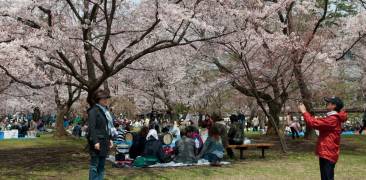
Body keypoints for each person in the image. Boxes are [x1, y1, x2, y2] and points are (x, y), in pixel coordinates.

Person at [298, 97, 347, 180]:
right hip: (327, 152)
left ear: (334, 106)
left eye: (329, 102)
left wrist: (304, 112)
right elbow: (318, 123)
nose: (326, 104)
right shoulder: (332, 118)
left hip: (328, 153)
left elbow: (313, 123)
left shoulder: (333, 119)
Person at [87, 90, 114, 180]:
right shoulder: (93, 111)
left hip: (104, 141)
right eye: (103, 98)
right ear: (98, 99)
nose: (106, 100)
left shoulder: (105, 112)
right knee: (95, 165)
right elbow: (92, 128)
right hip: (97, 141)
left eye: (106, 98)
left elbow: (106, 127)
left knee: (101, 165)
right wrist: (95, 142)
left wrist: (110, 139)